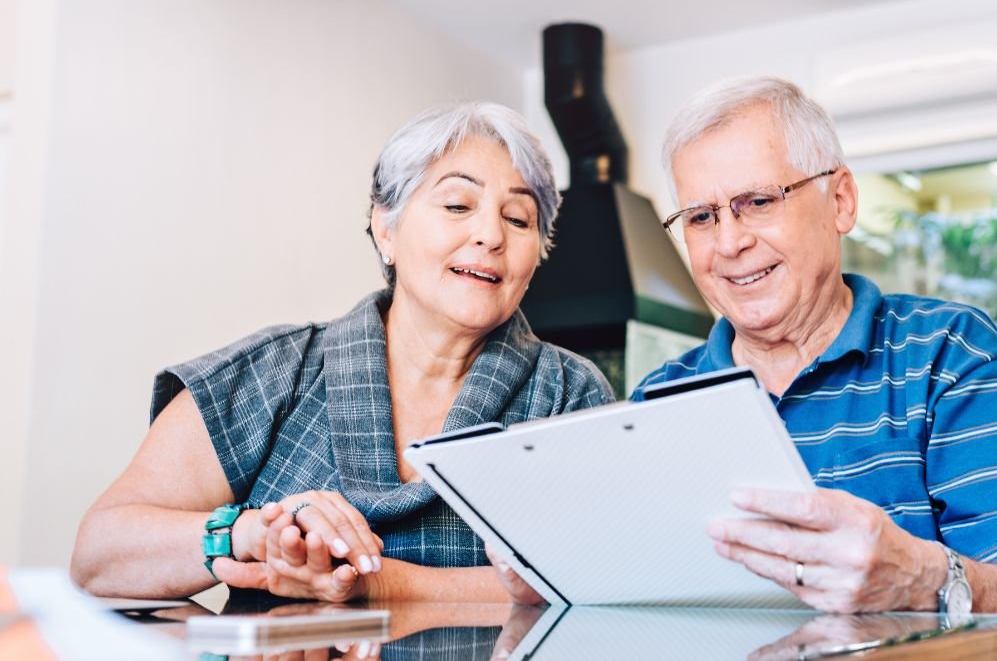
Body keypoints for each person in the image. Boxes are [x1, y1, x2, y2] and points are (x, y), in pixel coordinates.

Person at [495, 77, 997, 660]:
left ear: (840, 201)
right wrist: (560, 590)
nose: (729, 243)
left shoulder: (951, 352)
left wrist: (923, 580)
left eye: (756, 202)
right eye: (701, 217)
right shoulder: (662, 397)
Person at [70, 102, 614, 602]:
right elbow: (98, 555)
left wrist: (376, 582)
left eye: (518, 219)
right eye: (457, 204)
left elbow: (600, 580)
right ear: (386, 230)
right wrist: (256, 533)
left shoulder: (570, 394)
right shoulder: (275, 371)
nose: (490, 235)